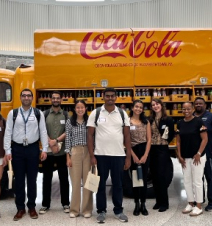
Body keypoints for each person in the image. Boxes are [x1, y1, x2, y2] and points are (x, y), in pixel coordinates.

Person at [87, 87, 132, 224]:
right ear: (103, 97)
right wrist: (92, 156)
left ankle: (118, 210)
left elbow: (127, 136)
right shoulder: (96, 113)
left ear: (116, 97)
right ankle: (101, 211)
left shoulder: (123, 114)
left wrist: (128, 156)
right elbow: (89, 135)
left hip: (118, 155)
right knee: (100, 185)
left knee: (118, 184)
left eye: (113, 96)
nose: (110, 98)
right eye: (107, 96)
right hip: (100, 155)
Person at [4, 88, 48, 221]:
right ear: (20, 97)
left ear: (32, 98)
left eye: (29, 95)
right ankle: (20, 208)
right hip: (17, 149)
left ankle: (32, 207)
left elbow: (43, 131)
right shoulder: (13, 113)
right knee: (19, 181)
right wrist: (7, 150)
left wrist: (44, 149)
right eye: (24, 95)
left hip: (33, 149)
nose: (26, 97)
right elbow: (8, 132)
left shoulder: (38, 113)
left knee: (32, 180)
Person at [39, 91, 70, 214]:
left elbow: (68, 131)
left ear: (61, 100)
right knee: (47, 178)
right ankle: (45, 204)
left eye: (58, 98)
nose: (56, 100)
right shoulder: (45, 114)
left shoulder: (66, 115)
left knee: (64, 179)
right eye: (54, 98)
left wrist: (56, 141)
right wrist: (50, 143)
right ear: (51, 100)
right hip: (49, 153)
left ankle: (66, 203)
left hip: (62, 153)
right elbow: (42, 130)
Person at [176, 101, 208, 216]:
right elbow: (178, 141)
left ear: (192, 109)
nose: (186, 111)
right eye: (184, 109)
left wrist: (199, 153)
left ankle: (198, 206)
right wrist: (179, 155)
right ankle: (190, 203)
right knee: (187, 180)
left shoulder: (198, 122)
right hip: (185, 157)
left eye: (188, 109)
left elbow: (205, 139)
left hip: (197, 157)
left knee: (197, 181)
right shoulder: (180, 123)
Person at [193, 97, 212, 211]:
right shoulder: (191, 116)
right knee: (198, 179)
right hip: (196, 155)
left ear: (205, 105)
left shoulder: (211, 117)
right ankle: (200, 200)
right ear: (194, 105)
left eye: (201, 103)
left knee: (210, 178)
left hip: (209, 152)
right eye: (196, 103)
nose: (198, 105)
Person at [65, 100, 93, 218]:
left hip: (88, 151)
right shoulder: (70, 122)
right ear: (74, 109)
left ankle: (87, 209)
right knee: (75, 182)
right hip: (75, 152)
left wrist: (93, 155)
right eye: (78, 107)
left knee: (88, 182)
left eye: (82, 107)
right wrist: (68, 157)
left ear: (85, 109)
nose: (80, 109)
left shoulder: (90, 121)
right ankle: (74, 210)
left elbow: (94, 137)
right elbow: (67, 139)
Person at [149, 98, 174, 212]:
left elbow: (172, 133)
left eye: (157, 104)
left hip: (162, 149)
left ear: (161, 105)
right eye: (153, 105)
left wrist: (164, 142)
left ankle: (164, 203)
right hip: (152, 149)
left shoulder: (167, 119)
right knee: (154, 176)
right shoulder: (150, 119)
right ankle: (158, 201)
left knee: (162, 176)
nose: (155, 106)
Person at [129, 100, 151, 216]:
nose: (138, 109)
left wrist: (145, 155)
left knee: (144, 180)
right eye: (136, 106)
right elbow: (125, 140)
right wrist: (133, 155)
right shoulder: (127, 122)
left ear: (143, 109)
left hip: (144, 151)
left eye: (141, 107)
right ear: (132, 108)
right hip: (133, 151)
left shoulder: (145, 122)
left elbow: (149, 139)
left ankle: (143, 204)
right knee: (135, 180)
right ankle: (136, 204)